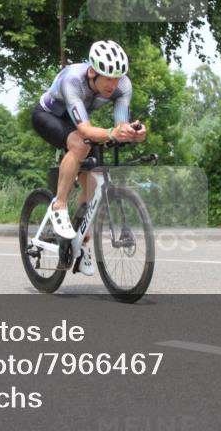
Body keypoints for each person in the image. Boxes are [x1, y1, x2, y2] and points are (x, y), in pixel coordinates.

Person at [30, 40, 146, 275]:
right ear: (93, 72)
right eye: (108, 78)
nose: (114, 84)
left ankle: (80, 244)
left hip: (76, 124)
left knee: (92, 182)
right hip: (48, 117)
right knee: (81, 144)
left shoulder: (123, 86)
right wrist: (112, 133)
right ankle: (59, 205)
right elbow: (84, 130)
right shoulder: (73, 79)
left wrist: (134, 133)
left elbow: (119, 127)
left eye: (118, 77)